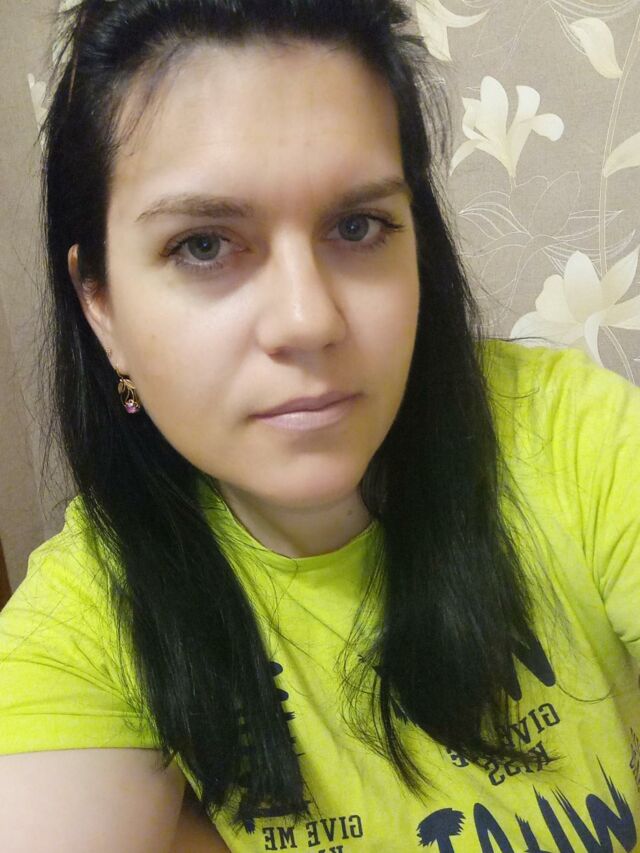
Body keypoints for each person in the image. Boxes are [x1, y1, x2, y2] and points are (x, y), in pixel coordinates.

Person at [1, 0, 639, 849]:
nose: (308, 320)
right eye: (204, 244)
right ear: (102, 305)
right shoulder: (87, 623)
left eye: (356, 226)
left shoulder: (571, 438)